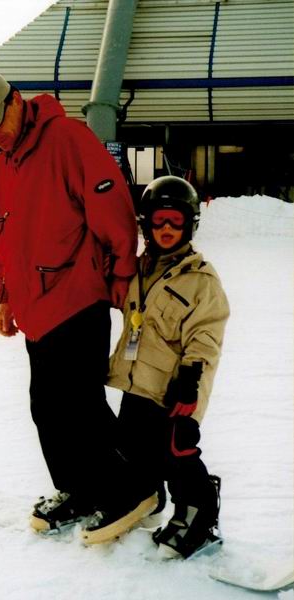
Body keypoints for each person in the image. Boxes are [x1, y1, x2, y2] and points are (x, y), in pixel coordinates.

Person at [0, 71, 158, 545]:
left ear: (15, 103)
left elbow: (112, 212)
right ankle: (81, 489)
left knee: (79, 406)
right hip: (34, 306)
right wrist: (4, 296)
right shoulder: (2, 168)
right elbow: (1, 240)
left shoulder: (68, 139)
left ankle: (130, 491)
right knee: (46, 408)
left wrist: (122, 275)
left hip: (78, 294)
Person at [107, 175, 230, 558]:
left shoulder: (200, 279)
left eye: (175, 221)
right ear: (146, 223)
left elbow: (206, 335)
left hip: (175, 388)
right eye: (159, 220)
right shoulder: (138, 270)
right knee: (130, 446)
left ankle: (200, 513)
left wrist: (190, 380)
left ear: (189, 224)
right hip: (137, 381)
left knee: (175, 450)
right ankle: (147, 499)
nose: (166, 229)